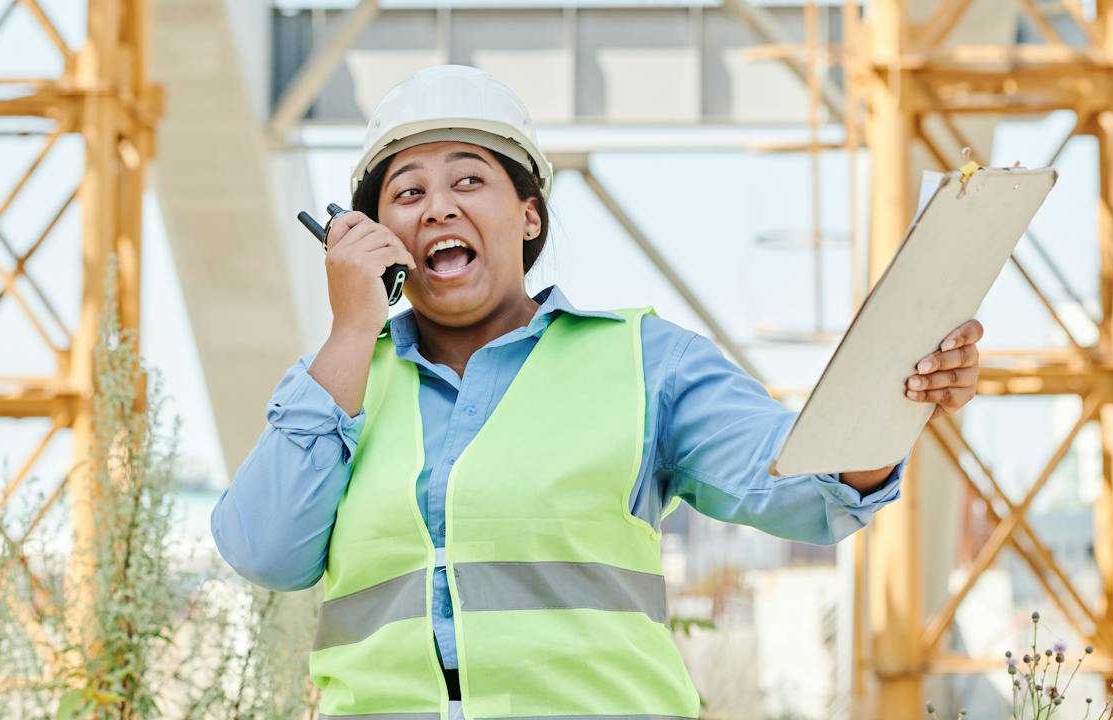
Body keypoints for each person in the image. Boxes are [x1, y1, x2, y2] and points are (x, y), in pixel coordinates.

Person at [211, 65, 984, 719]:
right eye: (406, 194)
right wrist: (350, 333)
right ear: (372, 235)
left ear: (529, 215)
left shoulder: (645, 362)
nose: (438, 206)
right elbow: (266, 552)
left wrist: (894, 401)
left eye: (470, 180)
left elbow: (802, 489)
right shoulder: (335, 388)